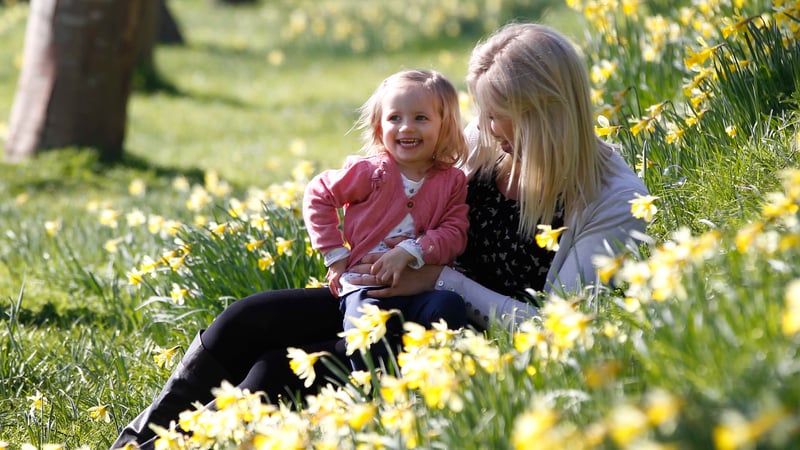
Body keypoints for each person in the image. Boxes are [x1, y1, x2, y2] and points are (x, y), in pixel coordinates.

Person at [110, 22, 648, 449]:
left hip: (455, 334)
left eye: (500, 119)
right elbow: (408, 156)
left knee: (275, 372)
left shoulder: (611, 201)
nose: (487, 130)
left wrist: (443, 281)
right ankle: (136, 442)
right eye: (484, 115)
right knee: (249, 318)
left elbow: (559, 330)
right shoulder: (488, 144)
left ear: (547, 116)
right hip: (391, 290)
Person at [302, 69, 470, 370]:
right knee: (366, 329)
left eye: (421, 118)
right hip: (367, 288)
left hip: (422, 290)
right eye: (395, 118)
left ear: (444, 126)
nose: (407, 127)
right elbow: (318, 194)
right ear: (379, 127)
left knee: (450, 307)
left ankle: (430, 384)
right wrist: (336, 256)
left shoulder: (452, 181)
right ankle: (375, 394)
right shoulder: (371, 172)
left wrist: (411, 251)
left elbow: (455, 232)